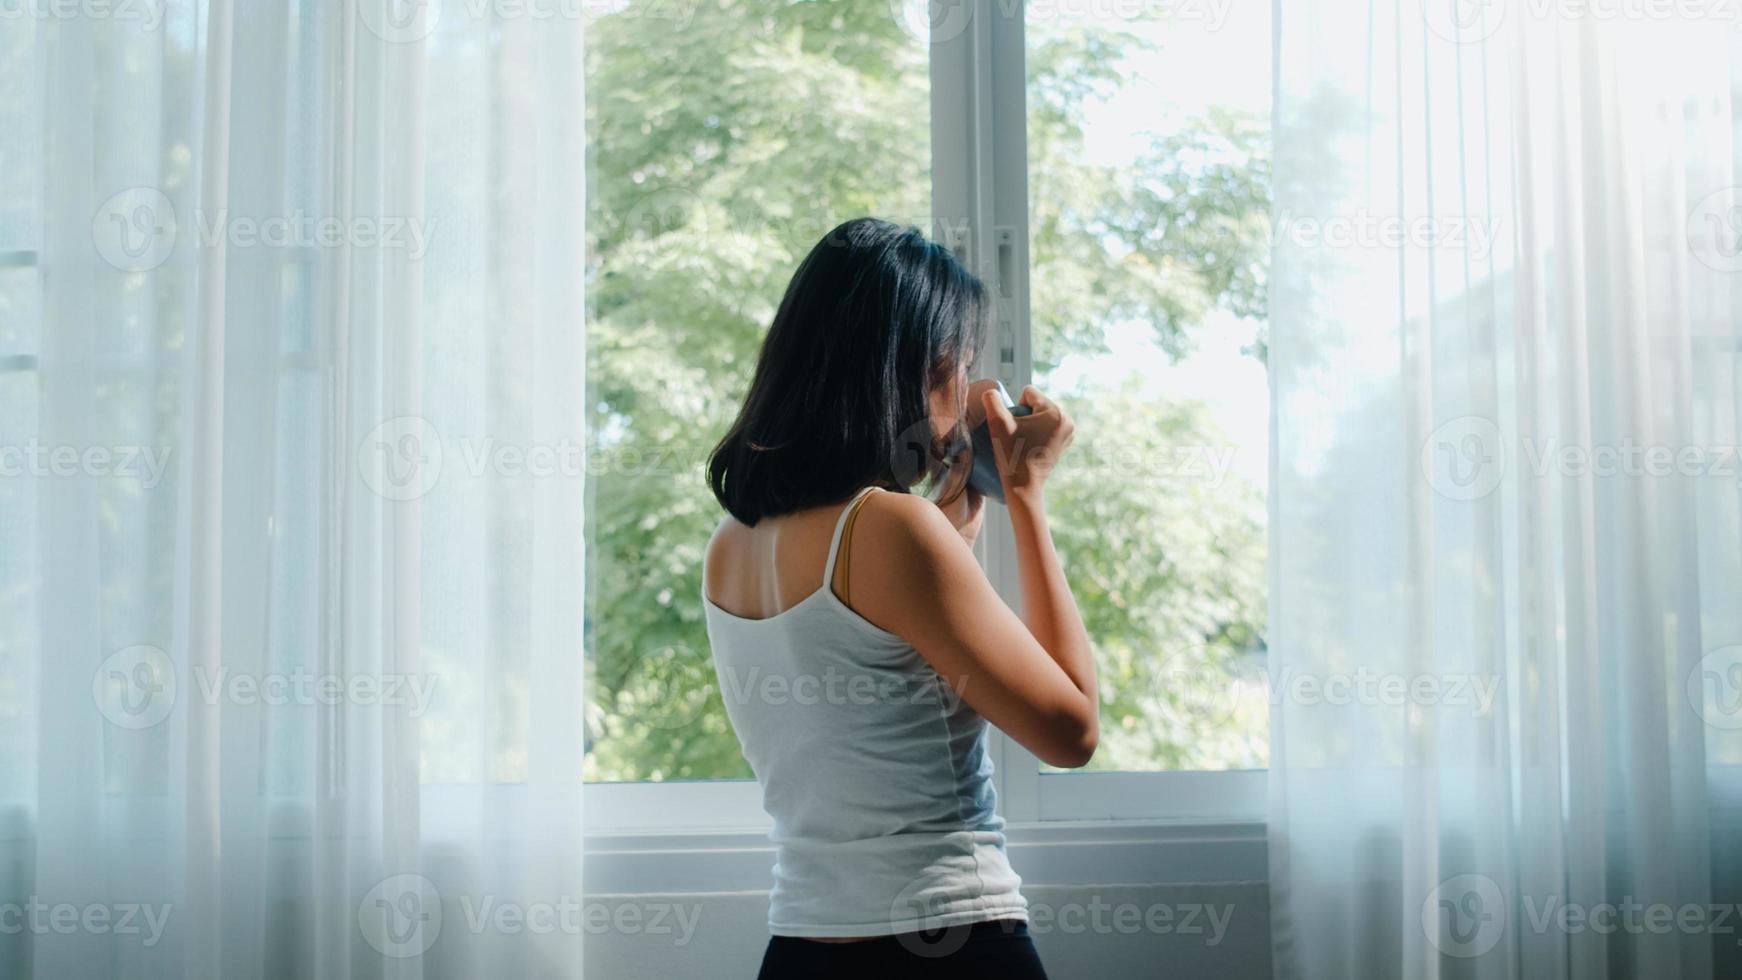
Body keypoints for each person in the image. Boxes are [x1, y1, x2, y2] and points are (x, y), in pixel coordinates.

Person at [703, 218, 1097, 979]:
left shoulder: (733, 545)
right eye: (964, 360)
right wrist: (1027, 495)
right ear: (927, 364)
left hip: (801, 951)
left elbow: (883, 665)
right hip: (952, 941)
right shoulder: (893, 530)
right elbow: (1071, 731)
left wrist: (960, 509)